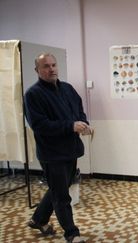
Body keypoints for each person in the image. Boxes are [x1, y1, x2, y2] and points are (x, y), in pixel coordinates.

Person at [24, 53, 91, 243]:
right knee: (61, 195)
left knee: (58, 188)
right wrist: (70, 126)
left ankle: (38, 219)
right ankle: (72, 234)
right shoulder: (33, 94)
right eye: (46, 66)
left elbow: (79, 111)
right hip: (52, 154)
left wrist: (83, 124)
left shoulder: (68, 89)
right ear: (37, 70)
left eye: (54, 65)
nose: (51, 69)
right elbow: (39, 125)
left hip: (71, 149)